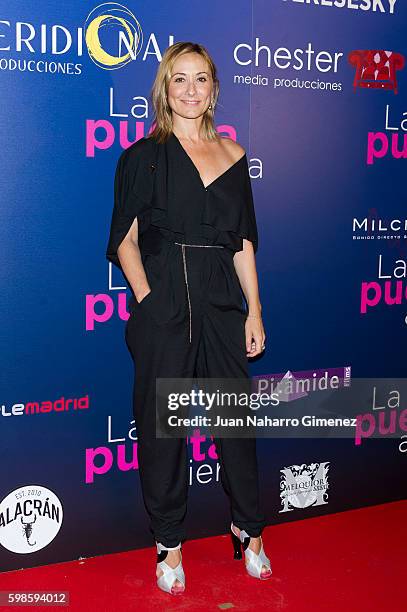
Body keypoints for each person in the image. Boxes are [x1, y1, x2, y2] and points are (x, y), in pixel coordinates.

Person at [106, 41, 271, 595]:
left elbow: (243, 242)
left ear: (214, 88)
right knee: (164, 432)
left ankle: (249, 530)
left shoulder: (234, 154)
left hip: (223, 299)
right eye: (180, 79)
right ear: (164, 88)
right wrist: (151, 301)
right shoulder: (142, 156)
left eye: (201, 79)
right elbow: (125, 242)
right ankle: (169, 542)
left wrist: (254, 310)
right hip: (165, 299)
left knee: (236, 426)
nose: (191, 89)